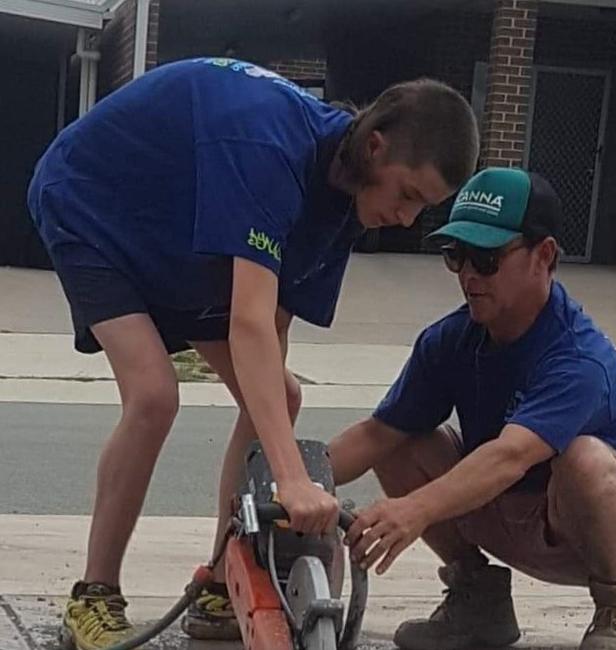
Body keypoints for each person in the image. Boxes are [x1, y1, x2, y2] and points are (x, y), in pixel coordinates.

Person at [27, 57, 479, 648]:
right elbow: (247, 323)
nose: (406, 218)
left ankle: (221, 578)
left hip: (178, 223)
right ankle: (93, 595)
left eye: (425, 208)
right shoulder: (269, 149)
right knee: (154, 394)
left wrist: (281, 460)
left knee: (281, 396)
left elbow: (272, 329)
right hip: (93, 201)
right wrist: (290, 480)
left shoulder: (343, 202)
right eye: (409, 194)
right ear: (375, 146)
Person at [329, 167, 616, 650]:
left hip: (601, 528)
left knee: (584, 460)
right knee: (401, 439)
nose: (468, 275)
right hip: (509, 512)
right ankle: (478, 600)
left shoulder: (578, 357)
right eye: (456, 255)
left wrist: (412, 511)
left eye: (486, 257)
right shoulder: (449, 341)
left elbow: (509, 457)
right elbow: (376, 435)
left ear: (544, 256)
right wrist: (290, 479)